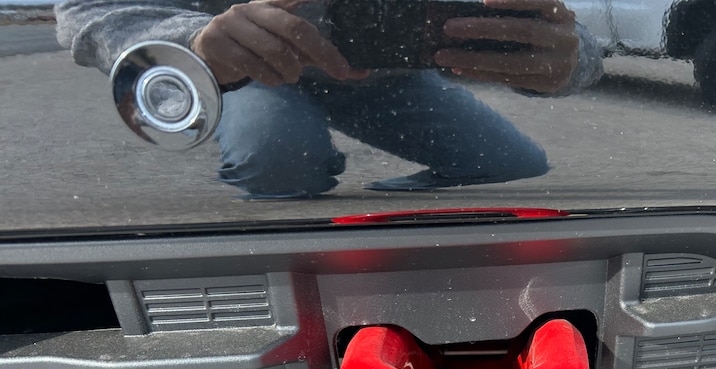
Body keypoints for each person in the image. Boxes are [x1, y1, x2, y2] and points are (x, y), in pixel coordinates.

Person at [56, 0, 603, 196]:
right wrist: (195, 44)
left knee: (515, 163)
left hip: (384, 77)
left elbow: (559, 30)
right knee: (277, 159)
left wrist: (568, 57)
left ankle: (388, 197)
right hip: (258, 70)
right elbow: (86, 10)